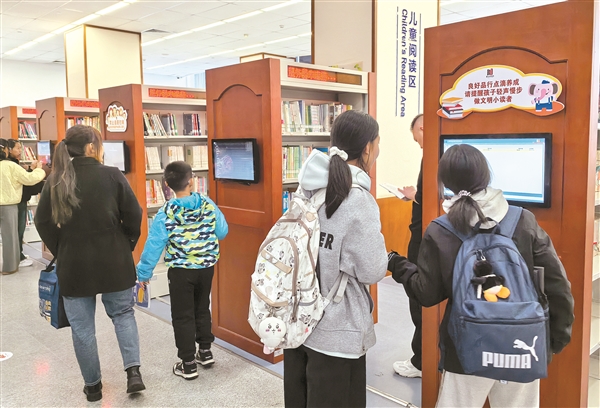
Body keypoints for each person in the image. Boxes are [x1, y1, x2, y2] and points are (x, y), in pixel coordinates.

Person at [387, 144, 574, 407]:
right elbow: (558, 286)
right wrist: (553, 340)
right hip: (523, 342)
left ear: (445, 182)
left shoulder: (441, 230)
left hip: (465, 347)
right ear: (486, 175)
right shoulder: (523, 220)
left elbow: (426, 295)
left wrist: (396, 264)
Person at [283, 110, 388, 408]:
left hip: (297, 317)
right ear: (367, 148)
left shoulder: (307, 187)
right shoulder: (359, 200)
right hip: (336, 330)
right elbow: (372, 270)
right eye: (378, 143)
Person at [34, 125, 145, 402]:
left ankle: (93, 387)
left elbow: (42, 221)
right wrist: (126, 243)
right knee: (123, 315)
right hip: (115, 259)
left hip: (74, 264)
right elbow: (134, 213)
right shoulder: (112, 174)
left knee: (82, 329)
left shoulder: (56, 180)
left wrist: (61, 247)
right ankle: (133, 373)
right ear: (91, 147)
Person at [136, 161, 228, 380]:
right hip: (206, 267)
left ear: (167, 185)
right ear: (192, 181)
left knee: (182, 315)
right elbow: (222, 232)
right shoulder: (207, 204)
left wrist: (144, 274)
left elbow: (154, 245)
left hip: (180, 271)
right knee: (202, 307)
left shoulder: (166, 212)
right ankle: (205, 351)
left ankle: (188, 364)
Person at [394, 113, 424, 378]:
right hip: (423, 235)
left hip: (424, 239)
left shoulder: (435, 156)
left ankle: (421, 361)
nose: (419, 144)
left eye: (418, 139)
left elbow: (432, 198)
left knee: (418, 295)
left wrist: (416, 195)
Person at [0, 138, 45, 274]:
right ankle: (10, 267)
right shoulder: (9, 165)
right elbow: (29, 179)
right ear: (5, 150)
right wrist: (38, 170)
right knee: (10, 236)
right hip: (8, 205)